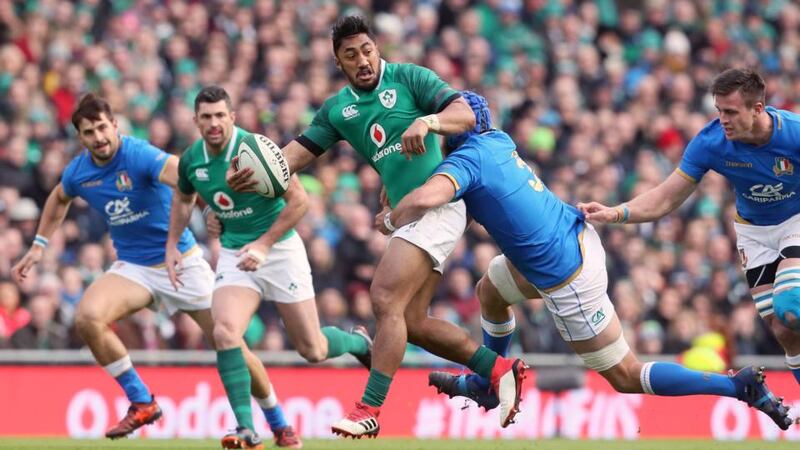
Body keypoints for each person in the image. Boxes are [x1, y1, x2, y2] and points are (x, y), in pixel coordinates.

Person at [380, 91, 794, 430]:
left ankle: (738, 387)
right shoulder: (497, 141)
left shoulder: (465, 163)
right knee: (490, 290)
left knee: (627, 376)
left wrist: (392, 216)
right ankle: (490, 379)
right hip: (575, 237)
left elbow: (428, 197)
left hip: (567, 279)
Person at [226, 16, 527, 438]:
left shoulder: (409, 77)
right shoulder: (337, 110)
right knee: (412, 321)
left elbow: (464, 112)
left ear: (376, 48)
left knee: (384, 296)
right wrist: (247, 180)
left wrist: (430, 121)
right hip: (407, 214)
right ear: (338, 63)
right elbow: (293, 156)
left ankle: (369, 408)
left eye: (367, 49)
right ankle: (499, 369)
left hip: (439, 201)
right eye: (351, 55)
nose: (362, 60)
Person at [10, 94, 294, 445]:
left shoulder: (139, 154)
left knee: (229, 343)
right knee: (87, 318)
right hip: (135, 267)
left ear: (114, 125)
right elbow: (58, 198)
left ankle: (280, 424)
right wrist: (39, 245)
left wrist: (213, 212)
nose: (98, 137)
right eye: (89, 132)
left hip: (183, 264)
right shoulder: (79, 171)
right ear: (80, 138)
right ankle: (142, 402)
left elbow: (187, 175)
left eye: (102, 127)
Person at [167, 86, 373, 448]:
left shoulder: (257, 150)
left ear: (232, 117)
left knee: (313, 350)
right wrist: (181, 235)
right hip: (234, 253)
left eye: (220, 115)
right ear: (196, 121)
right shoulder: (191, 160)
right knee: (225, 333)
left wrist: (263, 245)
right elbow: (185, 200)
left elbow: (299, 202)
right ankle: (246, 428)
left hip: (279, 250)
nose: (214, 123)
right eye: (206, 117)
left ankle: (357, 343)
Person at [579, 68, 800, 391]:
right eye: (719, 111)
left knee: (791, 306)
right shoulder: (711, 142)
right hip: (754, 233)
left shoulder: (793, 134)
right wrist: (616, 213)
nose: (723, 119)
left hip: (796, 219)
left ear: (757, 109)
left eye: (731, 112)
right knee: (784, 331)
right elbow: (666, 197)